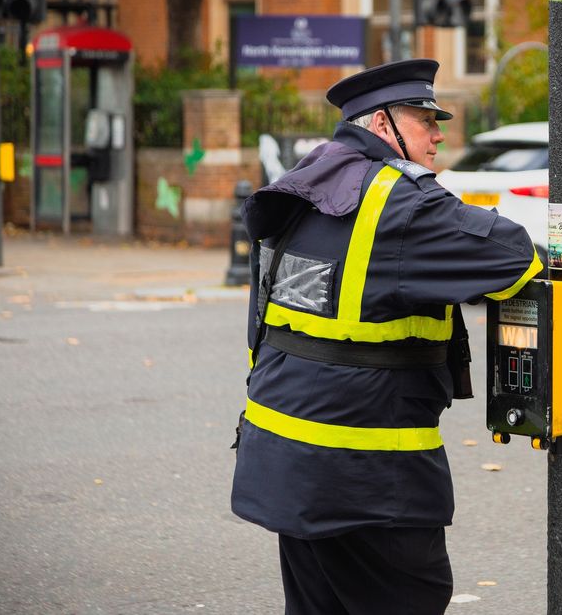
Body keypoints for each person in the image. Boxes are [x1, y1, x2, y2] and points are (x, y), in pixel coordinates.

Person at [230, 58, 542, 614]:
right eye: (424, 119)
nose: (439, 134)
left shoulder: (306, 183)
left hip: (285, 456)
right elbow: (515, 258)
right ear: (381, 126)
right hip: (366, 477)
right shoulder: (401, 204)